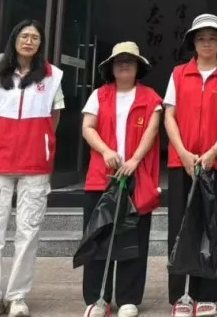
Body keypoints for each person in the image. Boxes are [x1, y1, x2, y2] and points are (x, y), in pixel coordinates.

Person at [0, 20, 65, 317]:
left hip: (35, 162)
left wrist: (41, 142)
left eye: (35, 38)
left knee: (28, 232)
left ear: (41, 44)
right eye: (24, 36)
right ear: (14, 40)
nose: (29, 41)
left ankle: (17, 296)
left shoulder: (53, 75)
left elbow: (55, 115)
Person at [164, 13, 217, 317]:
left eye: (212, 38)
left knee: (214, 227)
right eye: (201, 38)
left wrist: (212, 152)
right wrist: (183, 152)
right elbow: (169, 115)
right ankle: (181, 295)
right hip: (182, 162)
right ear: (193, 43)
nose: (207, 43)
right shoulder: (178, 74)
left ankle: (209, 292)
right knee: (180, 226)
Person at [81, 41, 162, 317]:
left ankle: (129, 298)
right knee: (98, 236)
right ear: (111, 67)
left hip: (136, 177)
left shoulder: (151, 97)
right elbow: (88, 127)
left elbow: (152, 130)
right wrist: (105, 151)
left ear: (138, 67)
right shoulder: (99, 95)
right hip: (101, 177)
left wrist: (135, 160)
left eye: (130, 60)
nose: (124, 65)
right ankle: (97, 298)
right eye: (119, 61)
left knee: (134, 239)